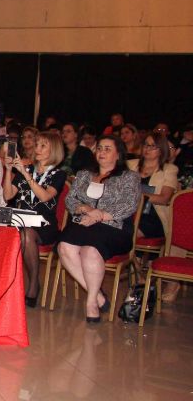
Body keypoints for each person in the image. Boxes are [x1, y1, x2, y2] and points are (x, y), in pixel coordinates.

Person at [57, 136, 141, 322]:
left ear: (118, 154)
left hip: (114, 227)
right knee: (64, 246)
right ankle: (98, 296)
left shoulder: (129, 177)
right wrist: (85, 209)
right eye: (100, 148)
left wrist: (101, 215)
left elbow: (129, 204)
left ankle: (91, 303)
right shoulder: (84, 174)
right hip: (83, 222)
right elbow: (70, 200)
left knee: (90, 251)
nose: (102, 152)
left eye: (107, 149)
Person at [4, 131, 67, 306]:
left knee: (26, 234)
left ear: (54, 150)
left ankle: (33, 283)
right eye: (37, 144)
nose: (37, 148)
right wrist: (8, 171)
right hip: (21, 220)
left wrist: (26, 174)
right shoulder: (27, 169)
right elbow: (8, 195)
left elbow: (45, 196)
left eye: (43, 145)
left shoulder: (58, 174)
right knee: (4, 231)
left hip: (44, 224)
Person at [127, 133, 180, 300]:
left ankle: (138, 274)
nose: (147, 149)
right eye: (146, 145)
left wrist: (140, 195)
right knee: (119, 230)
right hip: (130, 213)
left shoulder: (169, 170)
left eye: (152, 146)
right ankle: (139, 273)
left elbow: (164, 198)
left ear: (161, 150)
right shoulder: (131, 165)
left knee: (127, 233)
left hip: (153, 217)